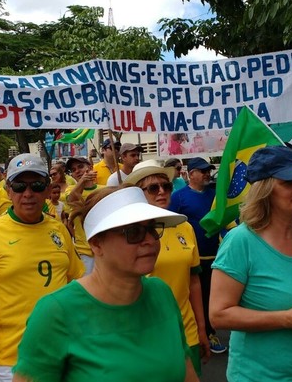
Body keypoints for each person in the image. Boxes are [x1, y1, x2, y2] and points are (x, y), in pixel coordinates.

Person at [13, 186, 199, 382]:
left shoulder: (161, 293)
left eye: (152, 229)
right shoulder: (55, 313)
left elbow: (186, 372)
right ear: (96, 244)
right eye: (134, 232)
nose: (150, 240)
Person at [211, 146, 292, 382]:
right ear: (265, 189)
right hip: (260, 377)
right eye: (289, 182)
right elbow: (219, 315)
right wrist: (288, 319)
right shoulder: (241, 241)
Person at [0, 153, 84, 382]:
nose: (28, 194)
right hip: (11, 361)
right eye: (19, 186)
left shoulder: (59, 230)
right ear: (8, 190)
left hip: (63, 355)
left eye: (36, 186)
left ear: (47, 190)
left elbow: (77, 285)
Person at [125, 160, 209, 374]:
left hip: (187, 331)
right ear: (137, 193)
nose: (162, 192)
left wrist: (201, 329)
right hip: (148, 334)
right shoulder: (127, 234)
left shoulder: (185, 226)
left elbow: (194, 281)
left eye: (167, 186)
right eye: (153, 188)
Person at [169, 157, 227, 354]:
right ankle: (190, 332)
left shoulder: (215, 195)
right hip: (191, 258)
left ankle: (209, 332)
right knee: (192, 297)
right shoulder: (178, 197)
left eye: (208, 171)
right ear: (190, 173)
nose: (206, 174)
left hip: (215, 256)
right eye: (202, 171)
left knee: (210, 297)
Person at [65, 156, 104, 273]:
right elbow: (71, 198)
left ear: (90, 167)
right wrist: (82, 181)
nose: (77, 171)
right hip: (84, 252)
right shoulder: (70, 190)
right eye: (73, 169)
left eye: (80, 167)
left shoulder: (104, 190)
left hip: (104, 248)